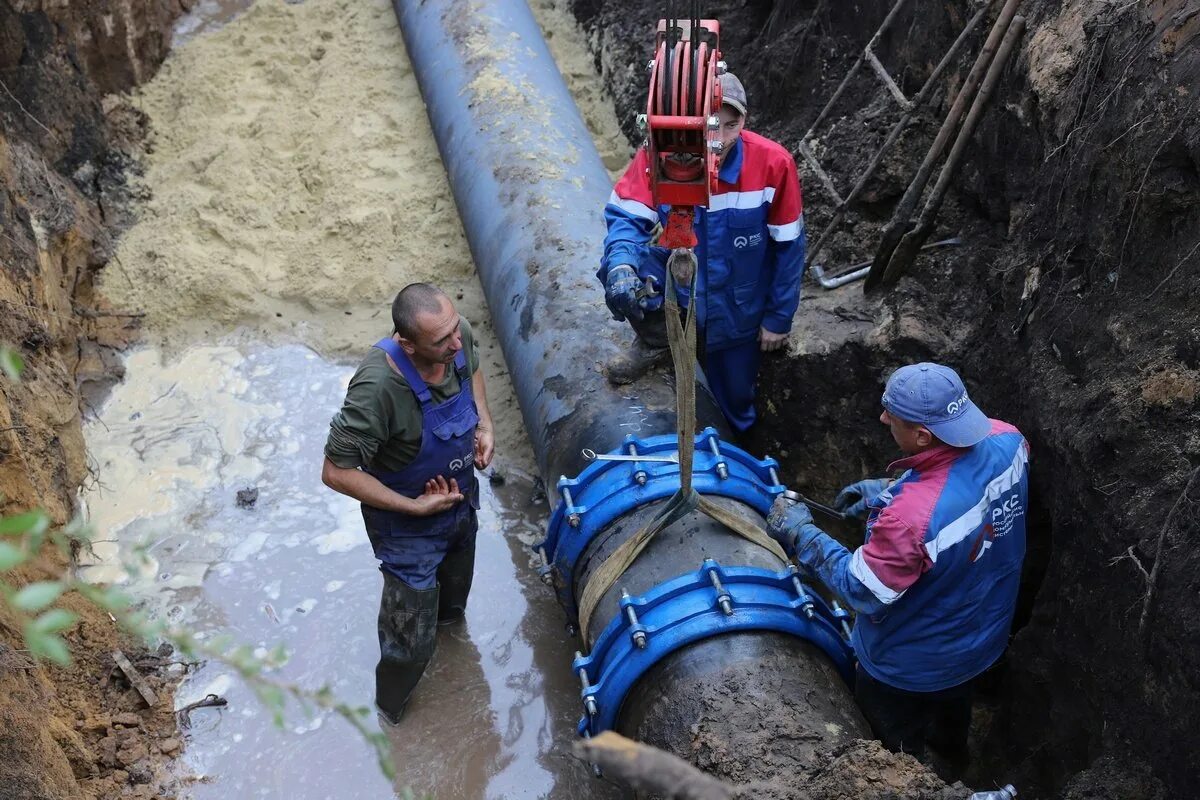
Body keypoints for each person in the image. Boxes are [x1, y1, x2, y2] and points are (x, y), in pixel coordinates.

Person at [767, 362, 1029, 774]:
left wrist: (802, 535)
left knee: (895, 753)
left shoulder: (910, 520)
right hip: (981, 638)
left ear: (923, 435)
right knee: (952, 714)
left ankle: (913, 774)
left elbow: (862, 591)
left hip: (908, 666)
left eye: (894, 416)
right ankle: (953, 760)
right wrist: (888, 490)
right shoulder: (1009, 439)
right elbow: (962, 483)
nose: (883, 418)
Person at [321, 283, 495, 724]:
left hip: (459, 506)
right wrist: (412, 507)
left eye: (456, 331)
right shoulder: (376, 388)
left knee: (453, 610)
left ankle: (455, 669)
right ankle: (392, 720)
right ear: (407, 344)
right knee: (409, 644)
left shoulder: (457, 336)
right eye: (440, 342)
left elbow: (471, 366)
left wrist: (485, 425)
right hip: (407, 529)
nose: (455, 344)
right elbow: (335, 471)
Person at [598, 71, 806, 432]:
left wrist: (778, 318)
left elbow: (789, 248)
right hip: (681, 295)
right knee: (623, 263)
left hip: (738, 314)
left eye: (730, 125)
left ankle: (739, 451)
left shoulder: (773, 165)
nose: (720, 138)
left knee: (736, 406)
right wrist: (620, 268)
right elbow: (626, 219)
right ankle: (657, 340)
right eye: (711, 125)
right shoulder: (660, 157)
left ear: (744, 121)